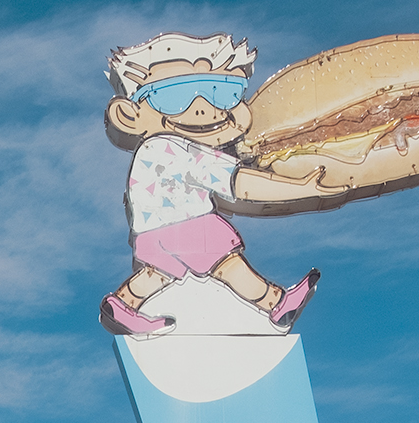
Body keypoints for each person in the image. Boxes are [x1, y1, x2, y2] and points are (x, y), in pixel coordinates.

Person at [97, 31, 358, 336]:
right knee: (230, 265)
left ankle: (121, 304)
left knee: (156, 273)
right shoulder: (179, 149)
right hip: (192, 226)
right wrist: (303, 188)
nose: (201, 107)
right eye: (172, 95)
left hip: (152, 233)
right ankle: (276, 303)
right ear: (129, 114)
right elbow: (240, 183)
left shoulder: (149, 151)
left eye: (222, 92)